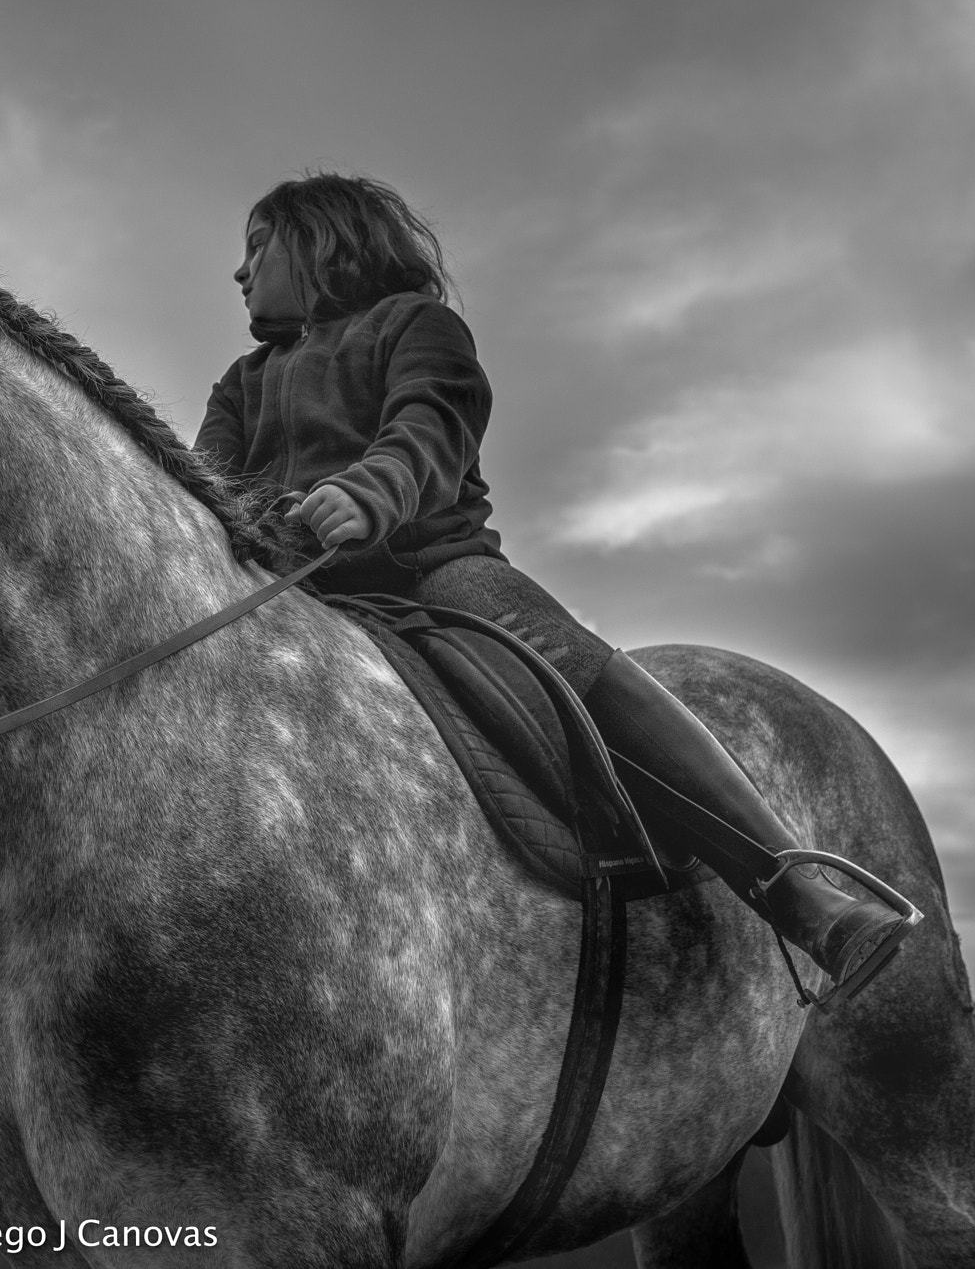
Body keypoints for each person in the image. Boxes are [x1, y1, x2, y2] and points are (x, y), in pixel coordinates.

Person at [196, 172, 913, 1004]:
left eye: (256, 247)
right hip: (300, 592)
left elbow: (431, 426)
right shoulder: (239, 383)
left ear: (322, 242)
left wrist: (367, 494)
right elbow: (207, 489)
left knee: (532, 633)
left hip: (433, 570)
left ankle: (798, 890)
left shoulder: (417, 327)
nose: (240, 273)